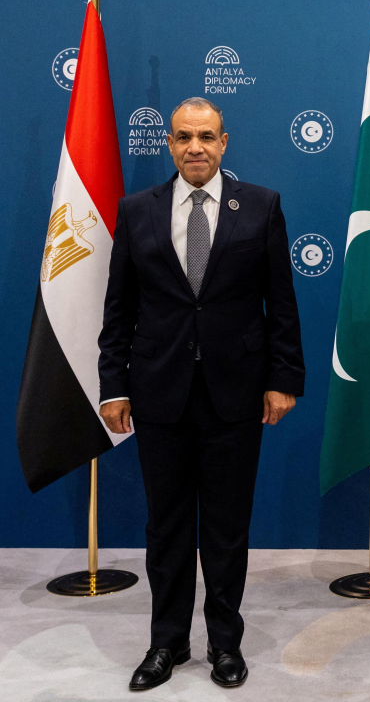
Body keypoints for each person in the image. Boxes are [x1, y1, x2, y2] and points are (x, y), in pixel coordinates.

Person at [98, 98, 304, 691]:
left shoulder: (261, 207)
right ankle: (166, 643)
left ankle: (224, 642)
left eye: (206, 137)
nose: (195, 147)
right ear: (168, 143)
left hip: (234, 395)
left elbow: (280, 304)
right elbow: (119, 312)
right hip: (157, 393)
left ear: (224, 142)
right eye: (184, 136)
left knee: (225, 526)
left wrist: (283, 377)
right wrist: (114, 385)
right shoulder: (137, 211)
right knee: (165, 526)